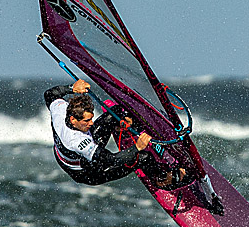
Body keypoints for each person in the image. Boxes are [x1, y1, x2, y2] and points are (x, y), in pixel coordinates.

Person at [45, 79, 188, 188]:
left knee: (115, 114)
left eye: (91, 118)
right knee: (143, 157)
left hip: (68, 154)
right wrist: (136, 148)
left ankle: (127, 126)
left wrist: (72, 88)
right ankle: (162, 179)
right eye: (87, 121)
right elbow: (110, 160)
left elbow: (50, 94)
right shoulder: (78, 142)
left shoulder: (61, 109)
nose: (91, 123)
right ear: (73, 119)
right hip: (88, 172)